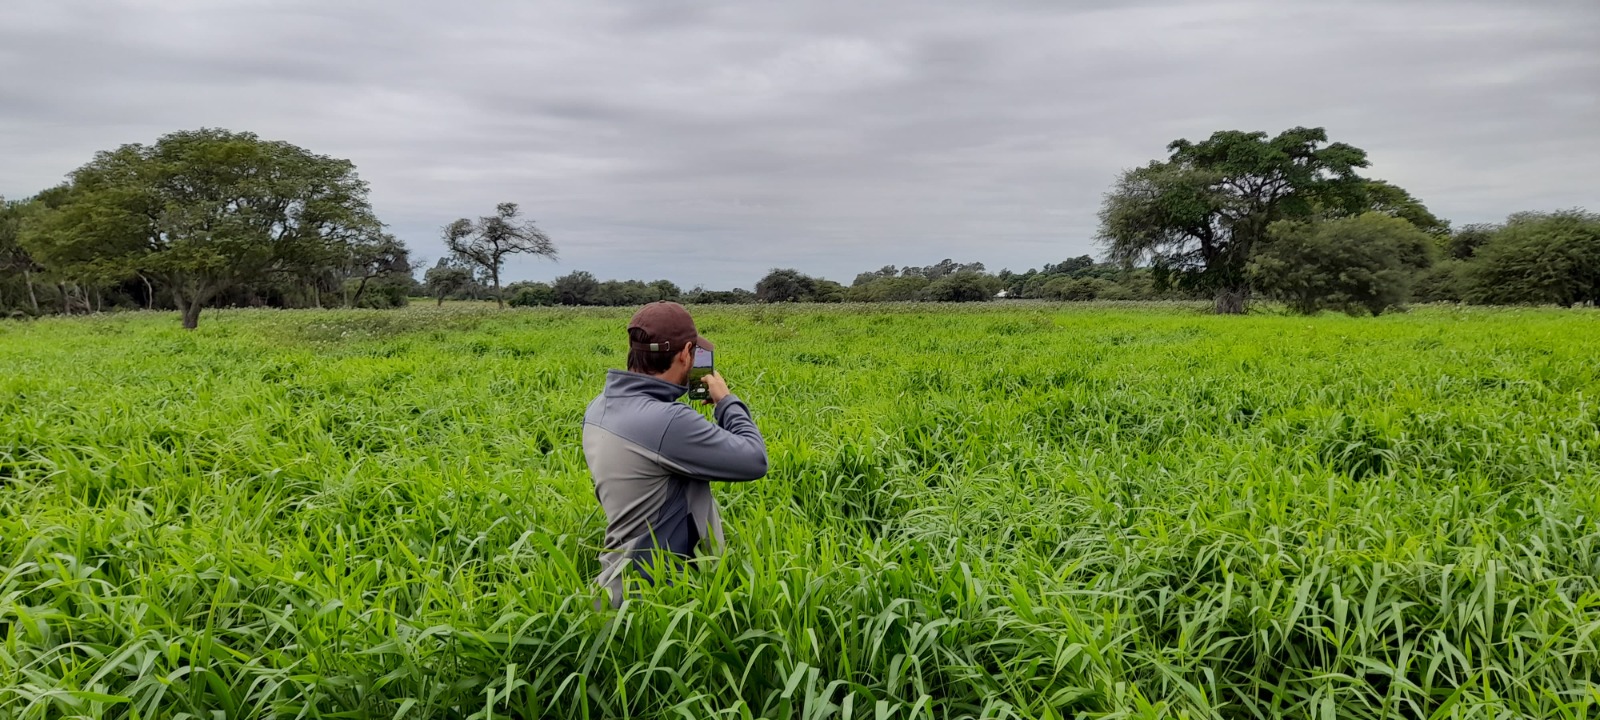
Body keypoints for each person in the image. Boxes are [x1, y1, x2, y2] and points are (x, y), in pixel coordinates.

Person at [582, 301, 768, 608]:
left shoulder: (599, 406)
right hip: (658, 598)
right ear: (685, 354)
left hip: (617, 585)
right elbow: (754, 459)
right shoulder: (668, 421)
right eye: (695, 353)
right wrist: (726, 402)